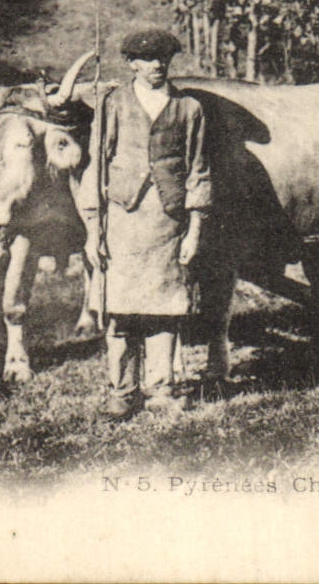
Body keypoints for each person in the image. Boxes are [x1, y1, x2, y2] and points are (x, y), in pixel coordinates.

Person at [78, 29, 212, 419]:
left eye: (163, 59)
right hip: (122, 221)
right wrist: (92, 230)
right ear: (131, 64)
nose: (156, 66)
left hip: (168, 222)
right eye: (147, 59)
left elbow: (199, 173)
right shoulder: (113, 104)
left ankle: (160, 389)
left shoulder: (189, 109)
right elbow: (96, 166)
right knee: (119, 311)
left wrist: (195, 230)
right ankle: (122, 392)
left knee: (165, 310)